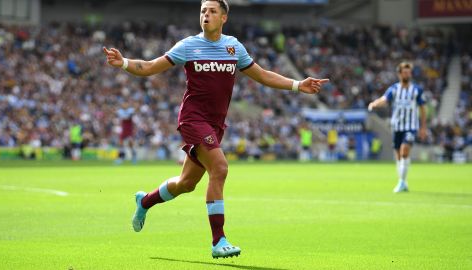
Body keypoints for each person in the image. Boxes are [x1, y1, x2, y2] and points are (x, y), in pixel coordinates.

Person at [103, 0, 329, 258]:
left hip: (215, 124)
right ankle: (218, 240)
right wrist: (123, 63)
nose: (206, 15)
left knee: (186, 183)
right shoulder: (188, 45)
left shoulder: (234, 47)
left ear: (224, 18)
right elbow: (150, 67)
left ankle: (144, 201)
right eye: (202, 11)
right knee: (220, 168)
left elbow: (263, 75)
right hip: (193, 119)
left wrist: (298, 84)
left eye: (211, 11)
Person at [368, 62, 427, 193]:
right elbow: (384, 99)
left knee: (404, 150)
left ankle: (401, 182)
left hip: (410, 126)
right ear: (399, 74)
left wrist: (423, 127)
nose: (407, 74)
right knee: (399, 156)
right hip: (397, 126)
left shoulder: (416, 90)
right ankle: (403, 181)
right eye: (404, 72)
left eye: (409, 72)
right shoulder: (394, 89)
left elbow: (423, 109)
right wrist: (374, 103)